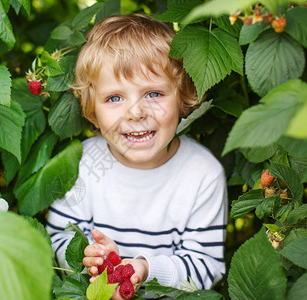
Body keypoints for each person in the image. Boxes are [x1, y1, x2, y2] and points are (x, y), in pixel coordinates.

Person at [46, 14, 227, 299]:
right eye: (114, 98)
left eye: (153, 93)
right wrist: (89, 257)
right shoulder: (83, 165)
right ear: (93, 109)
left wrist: (143, 270)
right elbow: (57, 236)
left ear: (182, 97)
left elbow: (206, 267)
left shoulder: (202, 174)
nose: (135, 112)